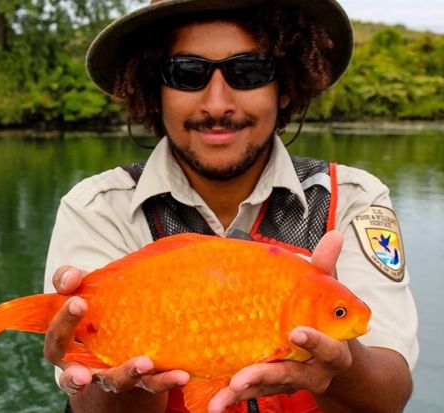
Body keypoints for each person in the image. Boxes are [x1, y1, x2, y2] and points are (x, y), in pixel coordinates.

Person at [42, 0, 419, 412]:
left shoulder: (352, 197)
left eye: (248, 72)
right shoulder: (97, 209)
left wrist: (341, 365)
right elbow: (90, 403)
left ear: (287, 85)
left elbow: (390, 394)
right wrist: (122, 379)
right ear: (155, 90)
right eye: (187, 74)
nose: (218, 104)